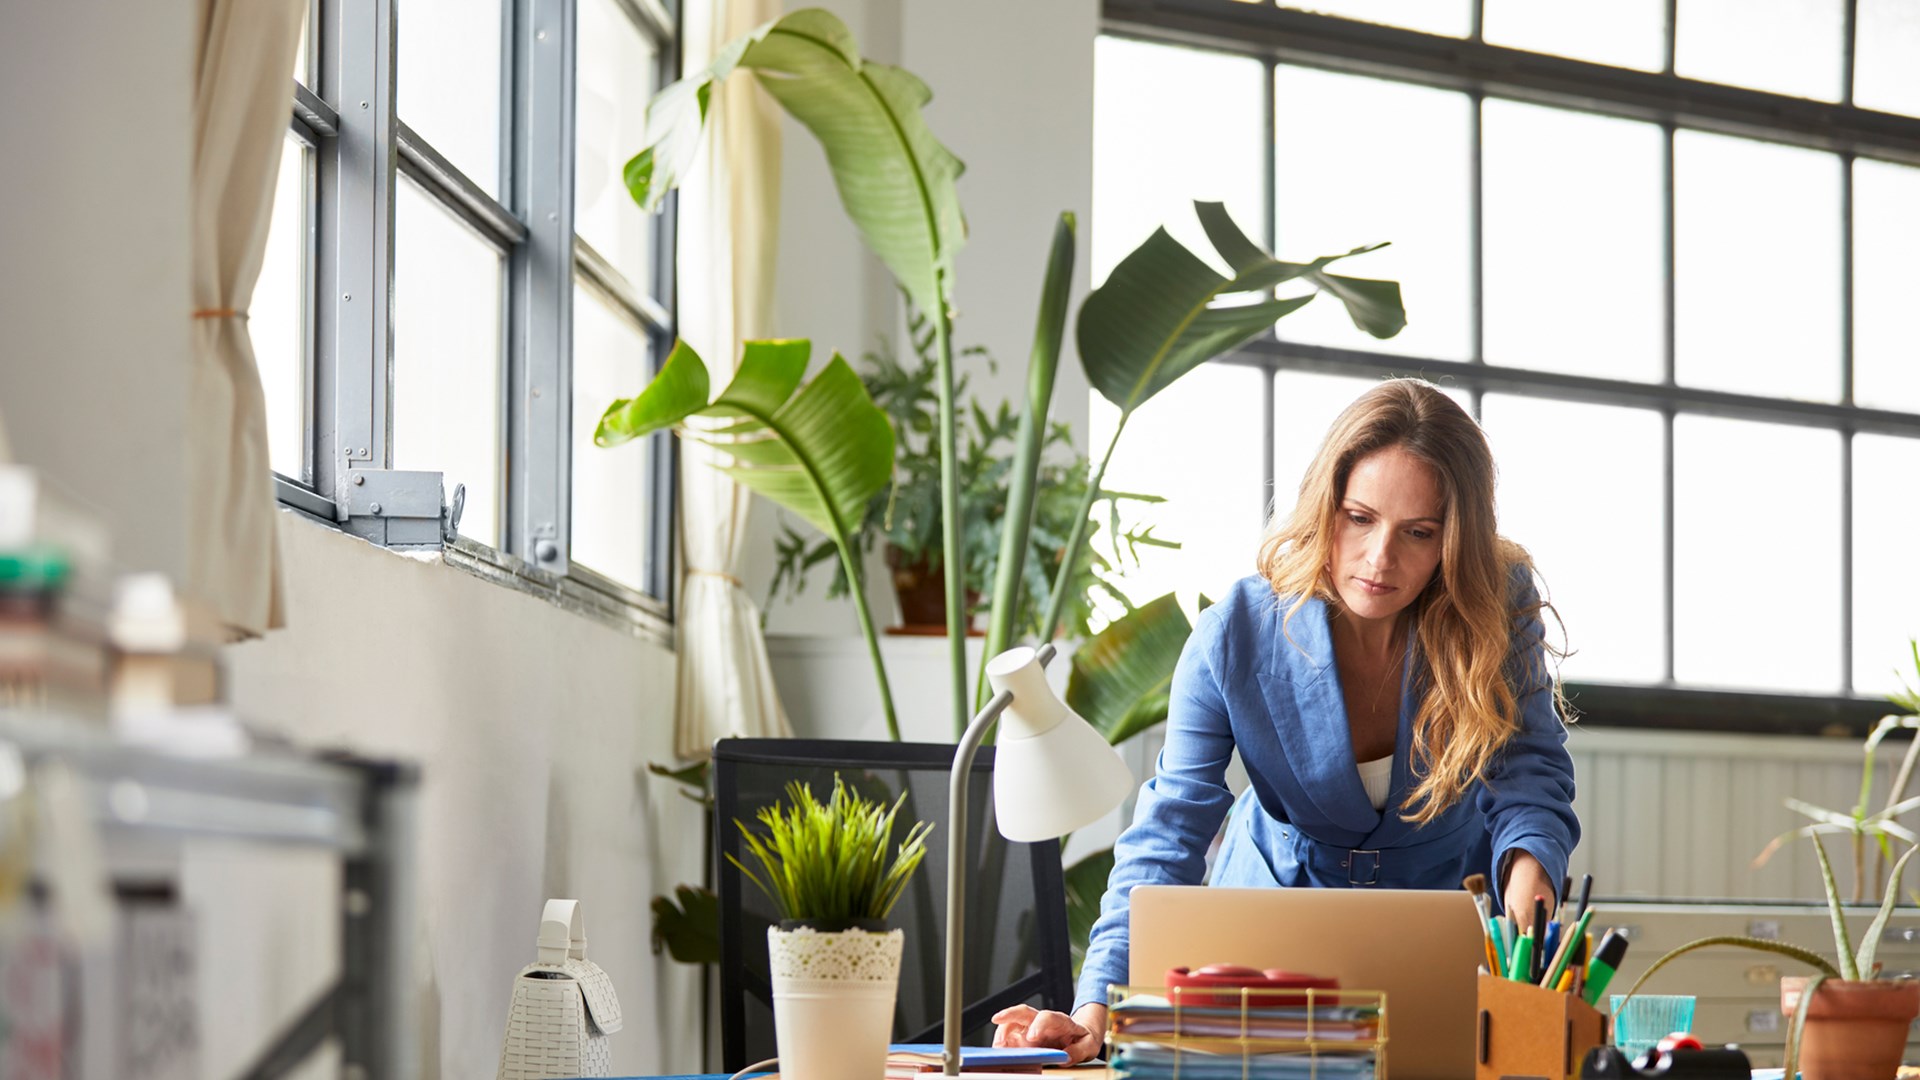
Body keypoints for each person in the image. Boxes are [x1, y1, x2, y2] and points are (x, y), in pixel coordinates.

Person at [992, 379, 1580, 1062]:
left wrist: (1531, 877)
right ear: (1326, 503)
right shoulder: (1234, 632)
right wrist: (1093, 1004)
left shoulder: (1494, 607)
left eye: (1419, 533)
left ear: (1456, 539)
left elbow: (1530, 772)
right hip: (1267, 934)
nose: (1380, 557)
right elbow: (1170, 827)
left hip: (1443, 926)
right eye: (1358, 518)